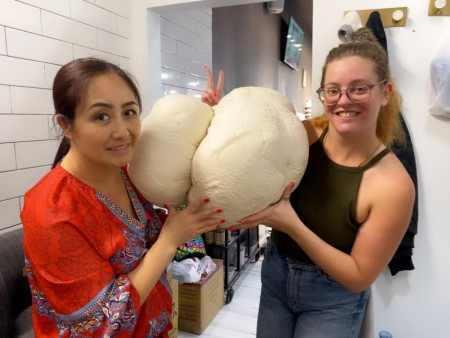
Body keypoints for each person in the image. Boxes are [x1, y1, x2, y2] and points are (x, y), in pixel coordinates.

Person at [202, 41, 415, 337]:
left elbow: (357, 277)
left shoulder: (393, 185)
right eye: (332, 90)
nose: (343, 100)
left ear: (385, 92)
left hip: (333, 300)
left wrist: (291, 225)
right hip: (275, 276)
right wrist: (218, 119)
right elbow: (245, 163)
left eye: (359, 88)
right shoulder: (304, 135)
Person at [21, 58, 224, 337]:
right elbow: (100, 325)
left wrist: (204, 123)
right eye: (101, 116)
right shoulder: (50, 212)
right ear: (66, 126)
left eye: (129, 112)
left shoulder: (129, 171)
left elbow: (179, 189)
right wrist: (169, 241)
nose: (122, 131)